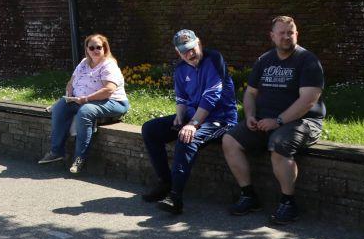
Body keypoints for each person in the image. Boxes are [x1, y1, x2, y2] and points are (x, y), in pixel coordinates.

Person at [222, 15, 324, 224]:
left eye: (291, 32)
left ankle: (288, 203)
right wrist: (250, 115)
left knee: (278, 143)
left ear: (297, 34)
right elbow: (250, 94)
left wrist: (277, 121)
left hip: (302, 122)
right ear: (272, 36)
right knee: (230, 140)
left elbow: (308, 100)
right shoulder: (264, 60)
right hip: (265, 120)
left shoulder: (308, 60)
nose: (287, 37)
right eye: (282, 33)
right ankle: (249, 195)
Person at [141, 30, 238, 214]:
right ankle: (165, 183)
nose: (189, 54)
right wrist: (180, 116)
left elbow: (212, 96)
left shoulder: (214, 59)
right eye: (184, 51)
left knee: (187, 137)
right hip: (193, 117)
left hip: (221, 119)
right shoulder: (180, 69)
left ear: (199, 43)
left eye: (192, 48)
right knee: (150, 129)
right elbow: (182, 98)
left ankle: (175, 197)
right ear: (178, 52)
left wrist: (192, 124)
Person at [38, 33, 129, 174]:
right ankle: (56, 152)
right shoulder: (83, 63)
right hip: (82, 99)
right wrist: (69, 95)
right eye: (91, 47)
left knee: (85, 112)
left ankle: (79, 159)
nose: (95, 50)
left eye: (98, 47)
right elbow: (70, 82)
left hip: (113, 102)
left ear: (104, 48)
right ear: (87, 49)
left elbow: (109, 90)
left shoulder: (108, 65)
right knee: (61, 107)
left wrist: (86, 99)